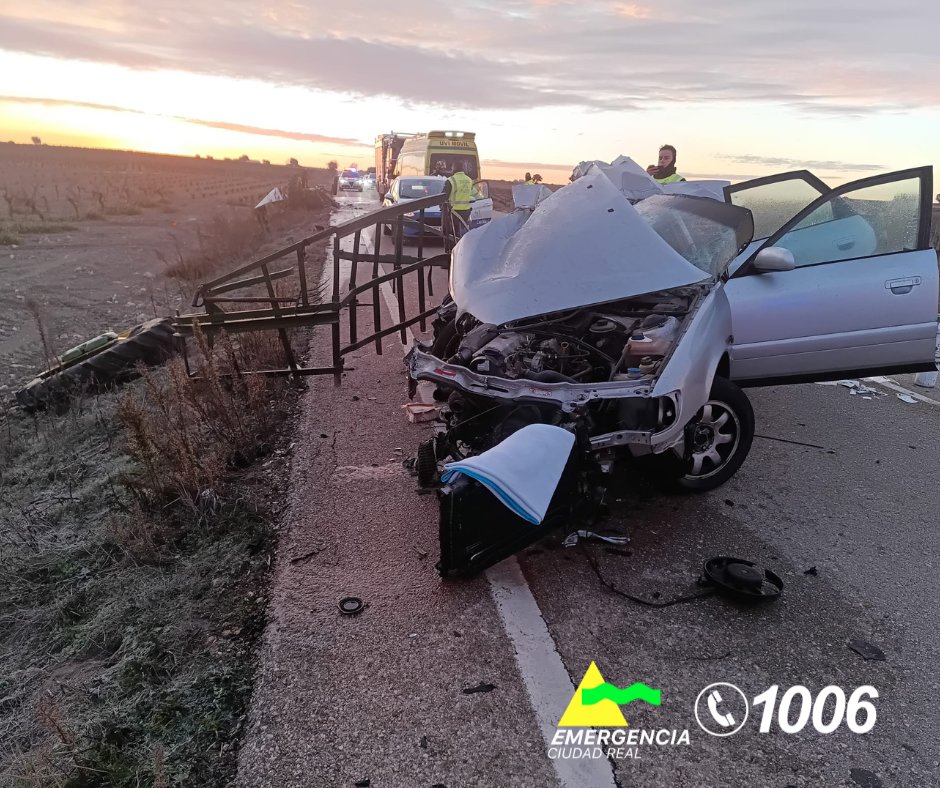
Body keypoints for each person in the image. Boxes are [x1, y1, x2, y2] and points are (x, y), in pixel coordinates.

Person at [443, 162, 474, 241]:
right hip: (466, 212)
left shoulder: (451, 180)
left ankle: (452, 246)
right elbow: (472, 194)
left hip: (454, 211)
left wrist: (442, 207)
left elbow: (443, 197)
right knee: (463, 233)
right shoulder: (469, 180)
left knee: (452, 234)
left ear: (454, 168)